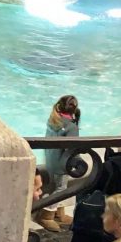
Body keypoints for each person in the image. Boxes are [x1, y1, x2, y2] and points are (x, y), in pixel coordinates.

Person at [40, 94, 80, 232]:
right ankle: (47, 215)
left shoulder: (53, 120)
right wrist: (77, 163)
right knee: (61, 188)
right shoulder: (71, 127)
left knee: (59, 185)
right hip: (62, 164)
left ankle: (59, 214)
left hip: (51, 158)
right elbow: (72, 149)